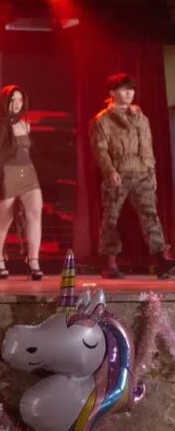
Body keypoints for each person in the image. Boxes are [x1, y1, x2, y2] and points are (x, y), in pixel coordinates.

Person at [89, 73, 175, 279]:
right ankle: (109, 262)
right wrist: (110, 171)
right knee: (112, 218)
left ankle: (161, 258)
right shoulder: (102, 120)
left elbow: (147, 147)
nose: (129, 93)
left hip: (141, 171)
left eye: (132, 89)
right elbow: (100, 150)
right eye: (124, 89)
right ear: (112, 92)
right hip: (118, 172)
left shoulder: (140, 117)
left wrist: (151, 173)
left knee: (150, 215)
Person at [0, 86, 43, 280]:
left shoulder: (25, 124)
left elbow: (26, 152)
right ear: (4, 101)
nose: (16, 104)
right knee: (5, 219)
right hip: (7, 173)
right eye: (12, 100)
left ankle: (33, 260)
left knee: (35, 213)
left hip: (28, 173)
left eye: (20, 100)